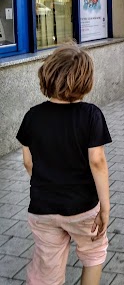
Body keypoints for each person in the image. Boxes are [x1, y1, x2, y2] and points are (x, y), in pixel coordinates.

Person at [16, 43, 112, 285]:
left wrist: (47, 184)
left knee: (47, 267)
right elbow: (97, 161)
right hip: (83, 206)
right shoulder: (91, 115)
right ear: (85, 79)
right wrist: (105, 207)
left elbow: (28, 161)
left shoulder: (32, 116)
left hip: (43, 207)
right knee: (93, 253)